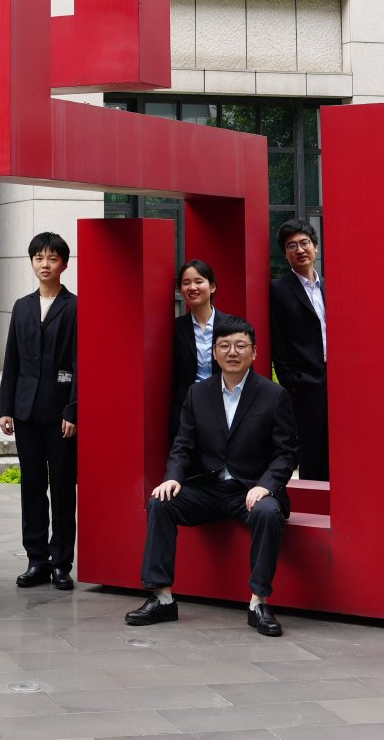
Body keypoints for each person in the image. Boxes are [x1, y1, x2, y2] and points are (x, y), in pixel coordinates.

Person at [127, 315, 298, 638]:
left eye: (240, 346)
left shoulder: (274, 395)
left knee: (267, 512)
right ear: (214, 353)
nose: (232, 352)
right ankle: (162, 598)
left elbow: (285, 453)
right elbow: (183, 445)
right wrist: (173, 476)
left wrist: (266, 486)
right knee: (161, 502)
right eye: (224, 346)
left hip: (249, 489)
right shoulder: (198, 393)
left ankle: (259, 602)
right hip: (209, 487)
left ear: (254, 352)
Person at [0, 230, 78, 590]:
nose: (45, 264)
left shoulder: (75, 307)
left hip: (61, 415)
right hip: (25, 411)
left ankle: (61, 563)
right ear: (31, 262)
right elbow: (11, 359)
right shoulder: (22, 306)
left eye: (52, 258)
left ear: (64, 264)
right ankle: (36, 560)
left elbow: (80, 363)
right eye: (39, 258)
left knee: (62, 488)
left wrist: (74, 410)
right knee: (31, 487)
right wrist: (5, 408)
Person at [267, 219, 328, 480]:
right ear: (285, 254)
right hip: (306, 385)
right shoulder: (278, 290)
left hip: (339, 381)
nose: (300, 249)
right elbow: (278, 339)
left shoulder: (330, 285)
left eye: (305, 243)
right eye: (292, 246)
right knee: (312, 451)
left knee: (343, 446)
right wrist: (293, 381)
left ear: (315, 247)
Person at [169, 259, 227, 434]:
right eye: (186, 283)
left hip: (225, 406)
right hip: (188, 410)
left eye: (198, 281)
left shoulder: (231, 326)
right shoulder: (174, 328)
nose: (192, 287)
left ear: (212, 286)